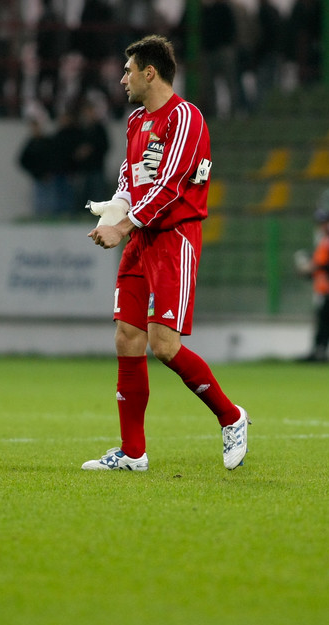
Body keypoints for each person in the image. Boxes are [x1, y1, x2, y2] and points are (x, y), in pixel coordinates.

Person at [83, 35, 249, 471]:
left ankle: (232, 418)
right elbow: (130, 180)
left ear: (149, 72)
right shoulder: (137, 122)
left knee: (164, 345)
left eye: (128, 71)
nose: (123, 80)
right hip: (140, 238)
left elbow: (171, 186)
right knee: (127, 338)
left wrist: (123, 225)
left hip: (174, 239)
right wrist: (112, 213)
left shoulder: (186, 118)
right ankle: (133, 453)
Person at [297, 209, 329, 362]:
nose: (322, 226)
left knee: (326, 322)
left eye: (324, 222)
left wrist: (311, 268)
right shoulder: (325, 241)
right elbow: (320, 265)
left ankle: (319, 351)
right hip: (324, 287)